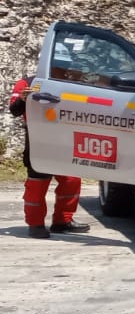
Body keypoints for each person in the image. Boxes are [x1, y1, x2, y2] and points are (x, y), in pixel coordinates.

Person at [8, 76, 89, 239]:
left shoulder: (69, 82)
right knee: (38, 183)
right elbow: (14, 110)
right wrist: (23, 99)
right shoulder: (26, 83)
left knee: (71, 180)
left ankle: (62, 221)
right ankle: (35, 224)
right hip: (38, 141)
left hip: (65, 138)